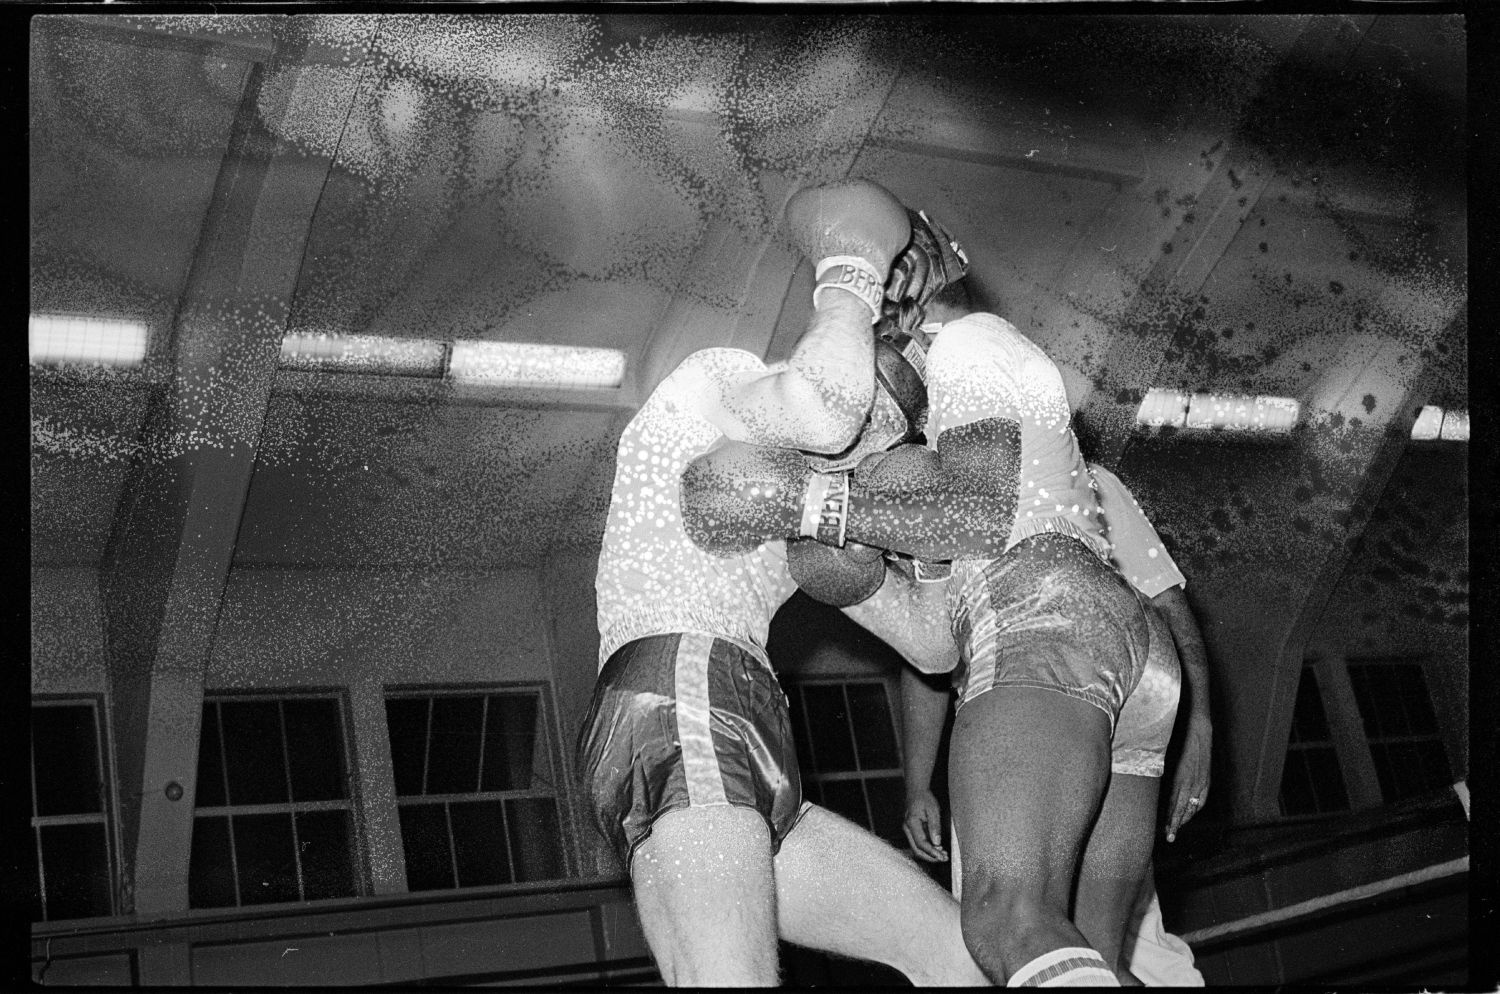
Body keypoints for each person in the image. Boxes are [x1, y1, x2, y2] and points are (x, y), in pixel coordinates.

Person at [681, 254, 1158, 984]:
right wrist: (850, 575)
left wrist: (805, 503)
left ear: (896, 312)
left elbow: (972, 515)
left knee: (1005, 917)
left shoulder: (973, 344)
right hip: (1103, 647)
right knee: (1082, 947)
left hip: (1040, 615)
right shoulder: (941, 447)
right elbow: (938, 648)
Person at [576, 178, 986, 987]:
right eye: (899, 390)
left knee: (957, 959)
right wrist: (850, 275)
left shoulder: (813, 503)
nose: (891, 432)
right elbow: (826, 406)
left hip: (750, 732)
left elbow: (934, 646)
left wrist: (927, 537)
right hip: (681, 691)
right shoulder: (723, 384)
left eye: (909, 423)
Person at [899, 462, 1211, 985]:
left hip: (1042, 674)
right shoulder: (1069, 469)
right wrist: (916, 784)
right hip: (1124, 679)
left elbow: (923, 647)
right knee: (1091, 957)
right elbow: (1164, 606)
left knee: (1011, 926)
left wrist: (1199, 729)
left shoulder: (936, 476)